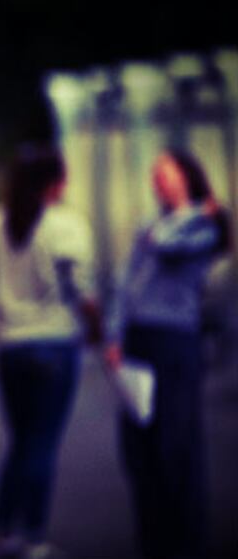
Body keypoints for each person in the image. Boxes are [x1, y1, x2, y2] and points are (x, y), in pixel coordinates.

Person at [0, 145, 100, 558]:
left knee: (21, 441)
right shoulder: (66, 226)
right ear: (56, 183)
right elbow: (84, 289)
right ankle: (34, 537)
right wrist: (98, 331)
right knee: (41, 443)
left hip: (8, 348)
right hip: (54, 346)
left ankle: (2, 531)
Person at [104, 148, 231, 559]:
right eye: (155, 174)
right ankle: (152, 536)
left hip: (175, 340)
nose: (158, 181)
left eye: (167, 173)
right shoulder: (152, 223)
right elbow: (126, 283)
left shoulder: (202, 228)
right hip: (140, 340)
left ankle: (185, 539)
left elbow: (167, 245)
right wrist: (113, 334)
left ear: (188, 177)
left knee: (175, 444)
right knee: (138, 445)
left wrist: (196, 213)